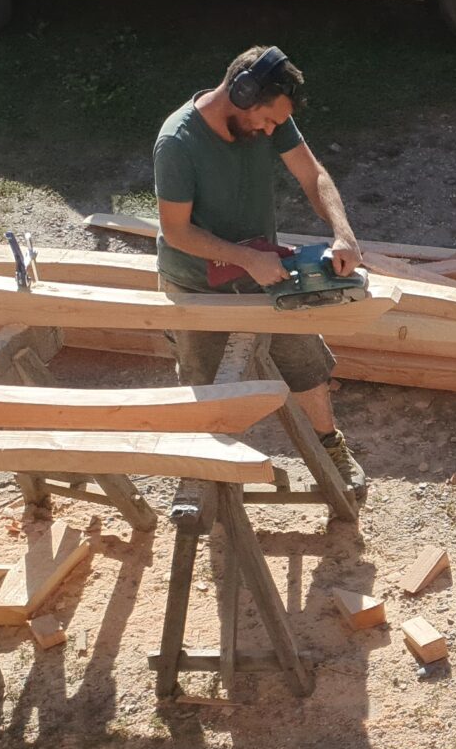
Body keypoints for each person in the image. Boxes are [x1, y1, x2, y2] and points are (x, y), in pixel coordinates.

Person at [153, 44, 368, 495]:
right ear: (242, 91)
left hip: (261, 266)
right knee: (205, 384)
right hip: (196, 281)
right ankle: (200, 472)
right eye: (267, 120)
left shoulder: (270, 116)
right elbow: (176, 231)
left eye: (276, 123)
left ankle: (330, 445)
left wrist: (343, 232)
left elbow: (313, 176)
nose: (271, 129)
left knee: (303, 361)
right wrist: (247, 258)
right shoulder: (178, 143)